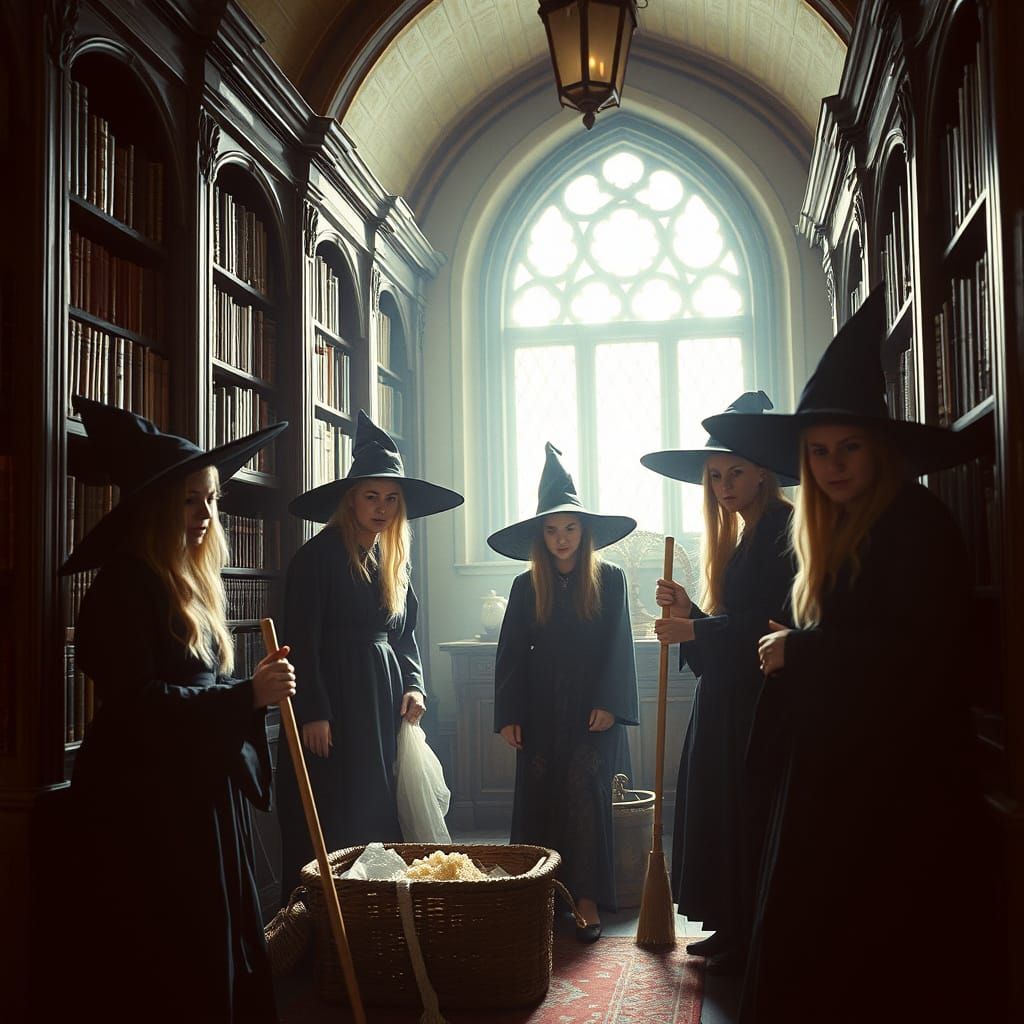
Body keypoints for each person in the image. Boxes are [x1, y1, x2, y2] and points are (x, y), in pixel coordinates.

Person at [703, 289, 999, 1023]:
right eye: (818, 452)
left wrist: (798, 652)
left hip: (900, 782)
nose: (832, 466)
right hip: (837, 769)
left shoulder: (916, 525)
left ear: (882, 449)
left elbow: (918, 649)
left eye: (849, 448)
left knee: (877, 954)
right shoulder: (833, 529)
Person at [61, 396, 293, 1024]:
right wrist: (246, 695)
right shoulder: (124, 587)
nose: (205, 513)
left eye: (212, 498)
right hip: (142, 808)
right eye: (190, 499)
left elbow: (194, 695)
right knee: (169, 959)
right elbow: (137, 707)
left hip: (197, 799)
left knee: (215, 949)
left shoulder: (188, 581)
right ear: (158, 506)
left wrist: (246, 693)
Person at [277, 410, 463, 901]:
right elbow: (300, 641)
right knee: (338, 812)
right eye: (371, 495)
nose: (382, 507)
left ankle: (379, 918)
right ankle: (327, 926)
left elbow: (405, 638)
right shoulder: (314, 560)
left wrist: (416, 684)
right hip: (335, 705)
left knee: (379, 811)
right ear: (351, 499)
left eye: (391, 498)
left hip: (382, 707)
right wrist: (312, 712)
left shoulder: (392, 560)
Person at [640, 391, 796, 975]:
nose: (724, 484)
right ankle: (733, 924)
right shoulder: (742, 535)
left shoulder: (783, 528)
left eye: (735, 472)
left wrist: (697, 631)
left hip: (758, 701)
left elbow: (776, 620)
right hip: (729, 697)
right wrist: (693, 614)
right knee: (724, 808)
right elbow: (735, 621)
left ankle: (752, 931)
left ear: (762, 474)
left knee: (746, 809)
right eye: (714, 475)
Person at [490, 442, 639, 943]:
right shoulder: (525, 585)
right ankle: (542, 893)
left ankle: (589, 897)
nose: (561, 538)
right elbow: (510, 653)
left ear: (584, 530)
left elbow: (620, 646)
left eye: (570, 527)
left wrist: (609, 704)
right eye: (551, 530)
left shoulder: (612, 580)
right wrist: (509, 713)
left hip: (592, 709)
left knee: (584, 792)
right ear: (541, 535)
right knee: (540, 794)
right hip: (539, 710)